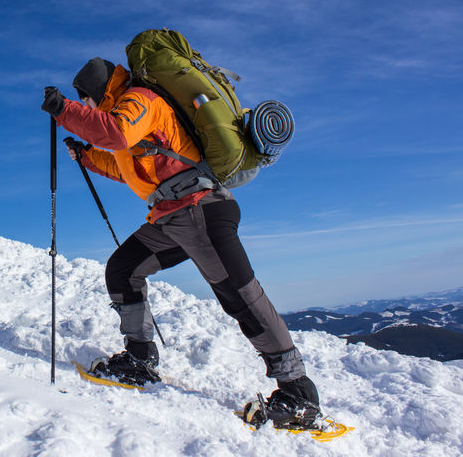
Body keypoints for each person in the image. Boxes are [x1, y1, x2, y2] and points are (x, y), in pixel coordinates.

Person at [42, 57, 321, 427]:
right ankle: (140, 358)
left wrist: (65, 110)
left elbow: (114, 133)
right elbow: (124, 167)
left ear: (94, 91)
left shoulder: (140, 101)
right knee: (123, 271)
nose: (87, 107)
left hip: (199, 210)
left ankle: (298, 394)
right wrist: (88, 156)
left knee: (240, 294)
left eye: (86, 100)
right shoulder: (123, 118)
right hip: (172, 217)